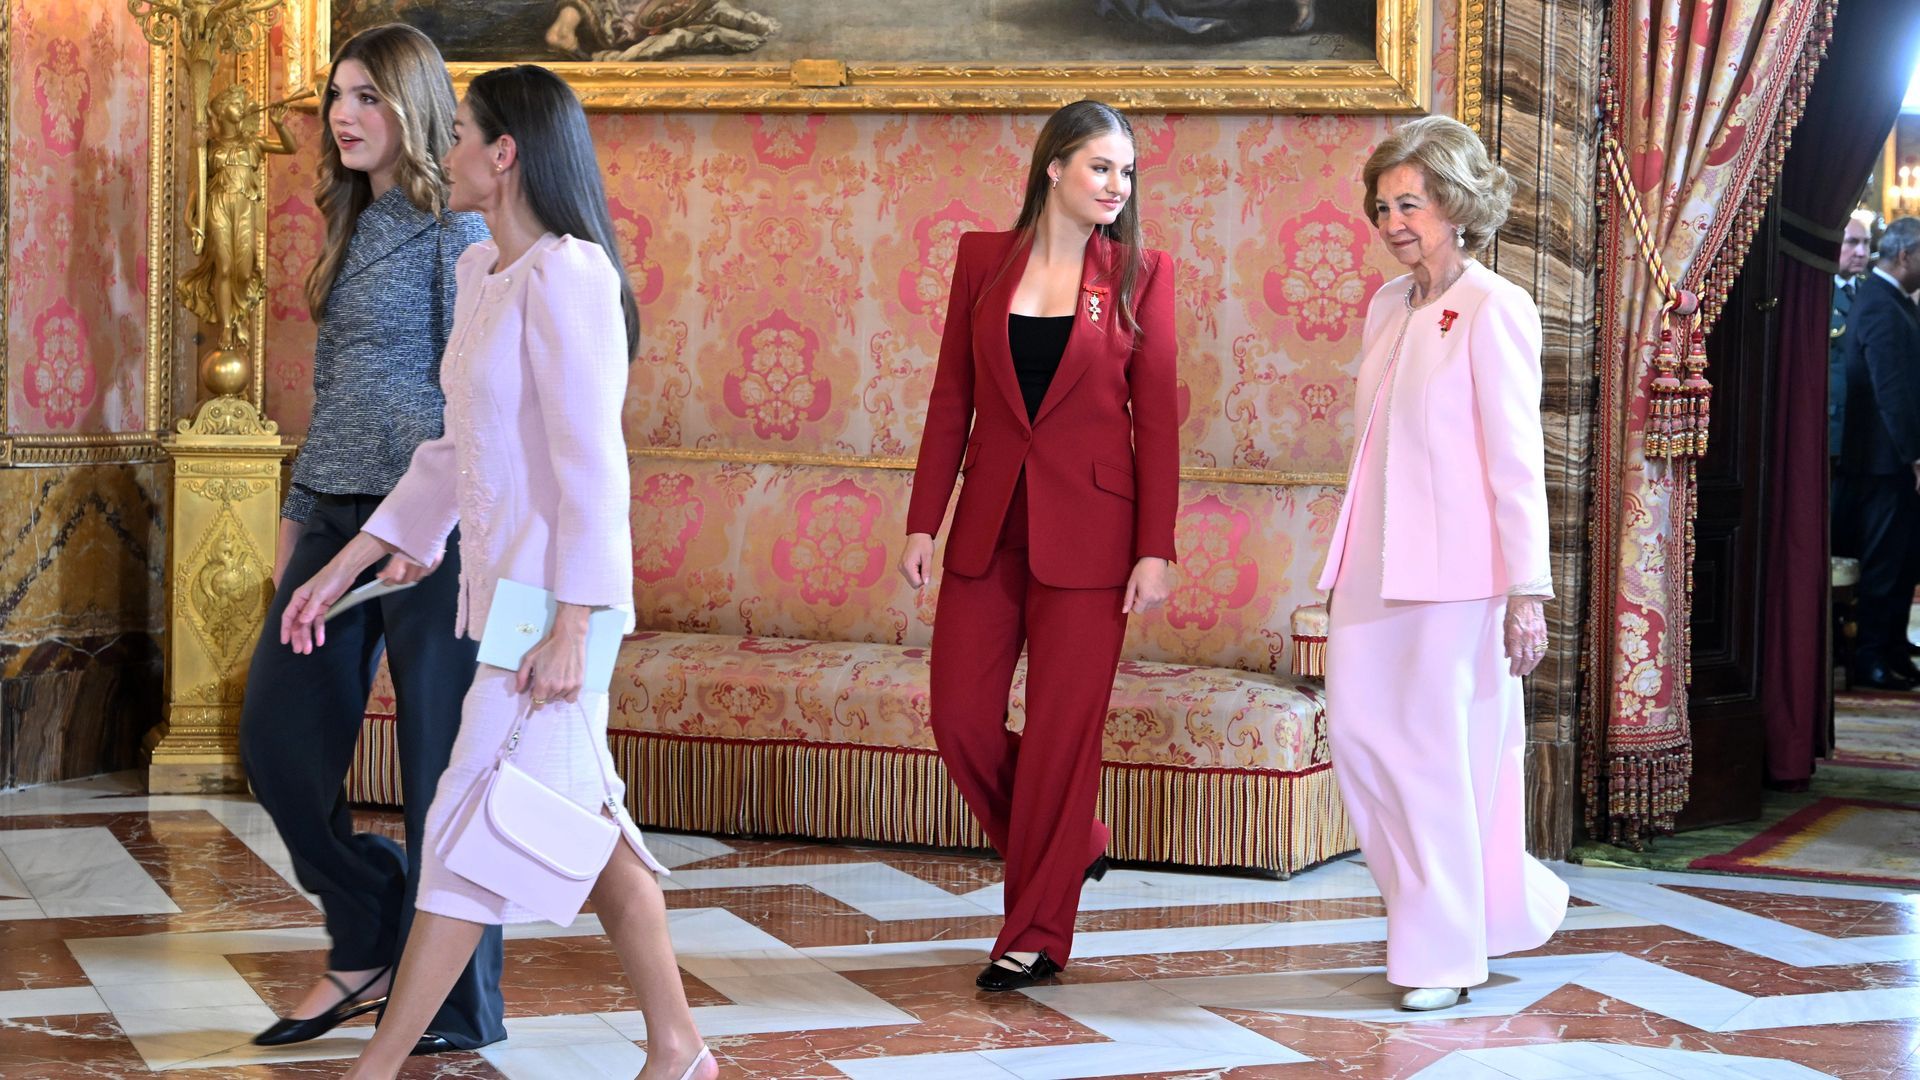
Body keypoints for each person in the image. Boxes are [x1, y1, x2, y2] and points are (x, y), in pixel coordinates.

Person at [280, 64, 717, 1080]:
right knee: (586, 827)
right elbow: (451, 452)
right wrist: (346, 562)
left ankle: (378, 1066)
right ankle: (680, 1047)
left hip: (560, 610)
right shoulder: (485, 272)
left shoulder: (571, 275)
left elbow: (592, 466)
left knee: (463, 829)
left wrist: (574, 624)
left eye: (462, 133)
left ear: (505, 152)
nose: (449, 151)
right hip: (512, 604)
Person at [237, 23, 503, 1054]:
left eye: (367, 97)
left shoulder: (456, 232)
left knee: (442, 766)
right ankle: (370, 926)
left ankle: (457, 1005)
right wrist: (297, 523)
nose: (343, 116)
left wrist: (432, 523)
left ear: (415, 109)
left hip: (436, 527)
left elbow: (468, 401)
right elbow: (338, 398)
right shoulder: (350, 223)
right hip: (335, 515)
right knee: (277, 739)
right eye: (337, 96)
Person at [898, 99, 1178, 993]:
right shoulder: (982, 260)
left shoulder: (1139, 274)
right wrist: (923, 519)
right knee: (960, 720)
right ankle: (1074, 843)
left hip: (1094, 538)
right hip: (988, 527)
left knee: (1063, 738)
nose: (1117, 185)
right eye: (1101, 166)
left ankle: (1035, 934)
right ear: (1054, 167)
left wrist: (1155, 547)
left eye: (1126, 172)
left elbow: (1156, 423)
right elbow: (952, 394)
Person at [1318, 114, 1568, 1012]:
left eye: (1410, 205)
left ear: (1457, 206)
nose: (1392, 223)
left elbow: (1517, 462)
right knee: (1359, 740)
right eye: (1383, 207)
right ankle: (1476, 907)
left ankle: (1440, 949)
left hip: (1460, 577)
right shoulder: (1388, 304)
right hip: (1370, 569)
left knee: (1434, 759)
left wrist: (1526, 592)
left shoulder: (1496, 308)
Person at [1836, 216, 1920, 691]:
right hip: (1883, 463)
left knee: (1905, 561)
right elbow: (1892, 391)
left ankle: (1892, 649)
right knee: (1884, 565)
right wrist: (1914, 455)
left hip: (1896, 462)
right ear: (1905, 255)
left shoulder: (1896, 301)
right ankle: (1870, 658)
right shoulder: (1879, 303)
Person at [1829, 210, 1875, 464]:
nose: (1861, 252)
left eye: (1866, 243)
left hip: (1868, 421)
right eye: (1852, 242)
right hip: (1834, 420)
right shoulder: (1819, 292)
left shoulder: (1872, 291)